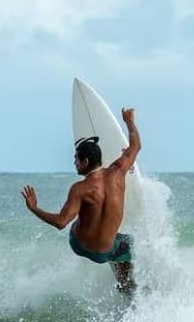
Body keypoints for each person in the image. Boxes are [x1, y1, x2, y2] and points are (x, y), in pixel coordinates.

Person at [22, 108, 141, 292]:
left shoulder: (80, 189)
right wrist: (129, 121)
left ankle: (121, 276)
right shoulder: (119, 172)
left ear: (85, 162)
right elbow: (135, 147)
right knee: (129, 243)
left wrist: (34, 208)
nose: (74, 163)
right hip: (105, 251)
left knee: (81, 216)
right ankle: (125, 283)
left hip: (80, 245)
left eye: (76, 159)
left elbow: (61, 223)